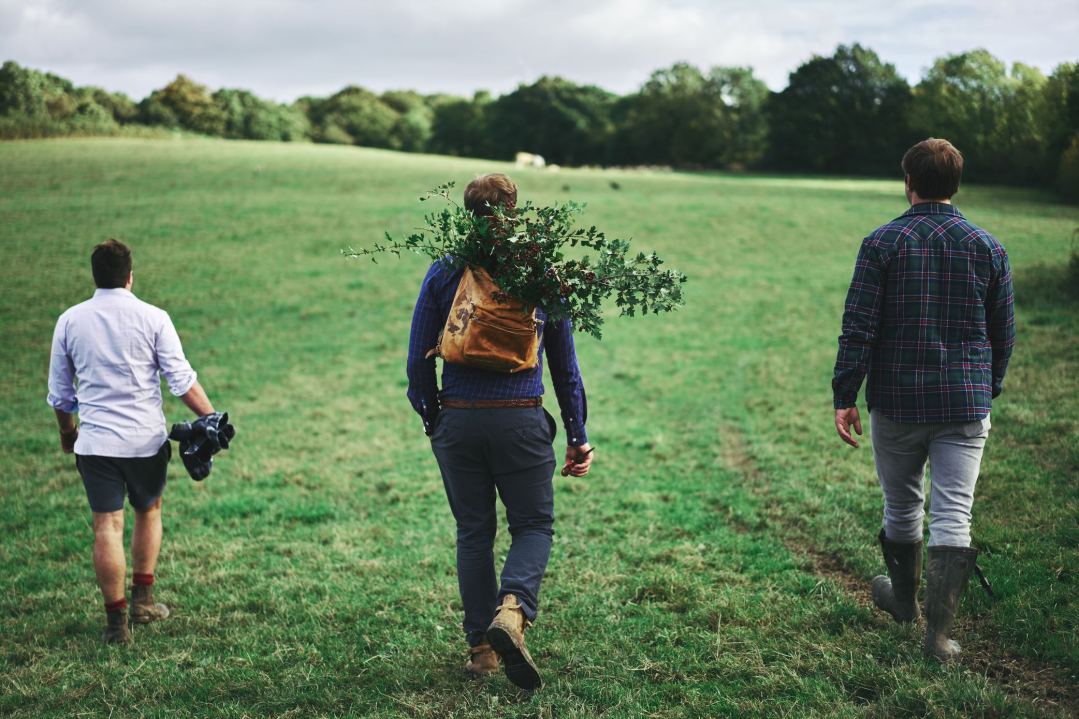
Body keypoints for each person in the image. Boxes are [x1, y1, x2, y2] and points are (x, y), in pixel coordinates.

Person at [407, 173, 594, 689]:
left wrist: (436, 420)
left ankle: (481, 651)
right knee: (533, 526)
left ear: (468, 213)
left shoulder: (445, 271)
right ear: (515, 211)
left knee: (473, 531)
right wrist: (577, 433)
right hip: (522, 420)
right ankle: (513, 608)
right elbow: (566, 368)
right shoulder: (541, 275)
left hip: (458, 418)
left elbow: (417, 361)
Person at [831, 138, 1015, 661]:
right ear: (955, 185)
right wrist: (988, 386)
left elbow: (858, 327)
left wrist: (846, 393)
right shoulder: (988, 247)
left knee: (903, 501)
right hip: (965, 401)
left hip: (896, 400)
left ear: (907, 181)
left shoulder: (882, 243)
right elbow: (1003, 335)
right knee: (955, 509)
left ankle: (905, 604)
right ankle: (937, 638)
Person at [47, 239, 217, 645]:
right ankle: (143, 601)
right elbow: (181, 380)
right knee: (149, 511)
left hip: (97, 444)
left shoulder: (70, 321)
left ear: (95, 275)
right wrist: (210, 418)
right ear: (129, 276)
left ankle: (116, 624)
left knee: (106, 525)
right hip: (145, 442)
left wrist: (68, 434)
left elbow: (60, 395)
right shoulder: (154, 317)